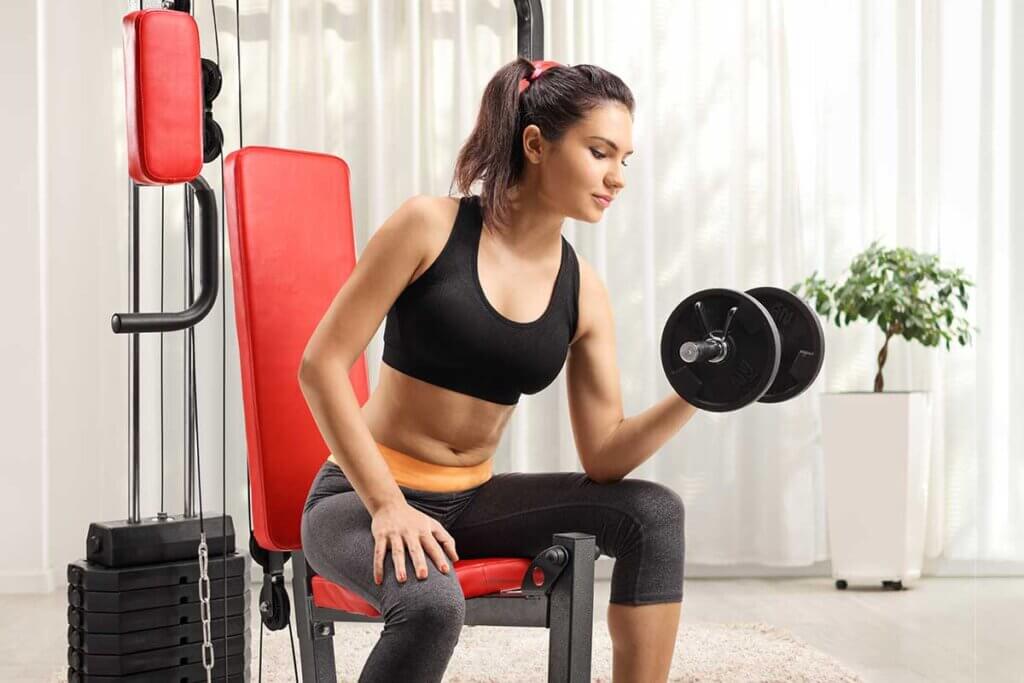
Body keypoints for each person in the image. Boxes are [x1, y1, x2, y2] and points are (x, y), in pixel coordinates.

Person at [298, 57, 698, 683]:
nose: (617, 177)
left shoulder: (582, 290)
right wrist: (387, 506)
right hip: (358, 498)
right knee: (432, 602)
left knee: (654, 514)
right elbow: (319, 366)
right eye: (600, 152)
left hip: (472, 500)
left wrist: (696, 392)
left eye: (625, 159)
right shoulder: (429, 227)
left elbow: (604, 456)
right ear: (536, 144)